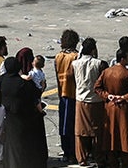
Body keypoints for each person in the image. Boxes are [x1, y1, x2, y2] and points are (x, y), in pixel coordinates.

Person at [95, 49, 128, 168]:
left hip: (110, 108)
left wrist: (107, 96)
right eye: (127, 57)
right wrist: (124, 97)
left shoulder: (106, 72)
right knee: (126, 138)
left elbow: (97, 88)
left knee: (111, 139)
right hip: (124, 110)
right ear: (122, 59)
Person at [0, 57, 46, 168]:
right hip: (23, 118)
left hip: (9, 117)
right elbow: (34, 95)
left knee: (11, 144)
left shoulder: (2, 79)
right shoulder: (23, 83)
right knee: (23, 144)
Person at [68, 38, 107, 166]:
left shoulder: (75, 64)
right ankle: (98, 157)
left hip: (80, 100)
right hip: (96, 100)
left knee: (80, 131)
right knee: (97, 131)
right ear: (93, 50)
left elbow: (70, 77)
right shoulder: (99, 63)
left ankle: (82, 158)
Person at [53, 30, 79, 163]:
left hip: (62, 94)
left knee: (63, 125)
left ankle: (66, 151)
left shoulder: (58, 57)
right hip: (73, 94)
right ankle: (73, 152)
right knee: (73, 125)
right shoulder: (75, 57)